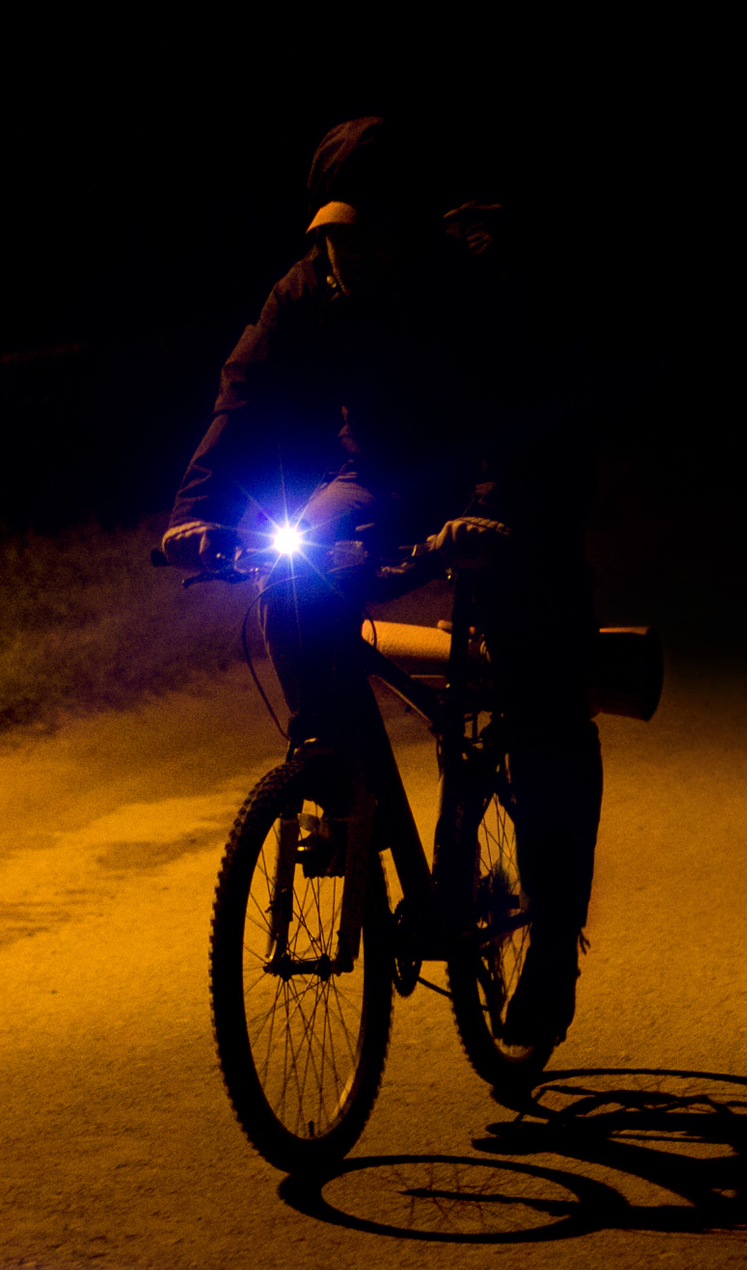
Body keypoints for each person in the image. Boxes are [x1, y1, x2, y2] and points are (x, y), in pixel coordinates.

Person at [159, 116, 603, 1048]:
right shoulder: (308, 288)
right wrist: (193, 512)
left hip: (509, 481)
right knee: (293, 590)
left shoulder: (481, 284)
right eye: (328, 233)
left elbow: (534, 412)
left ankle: (553, 947)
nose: (342, 252)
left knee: (540, 690)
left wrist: (496, 509)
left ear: (407, 227)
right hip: (387, 479)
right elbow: (242, 395)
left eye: (362, 231)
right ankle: (339, 785)